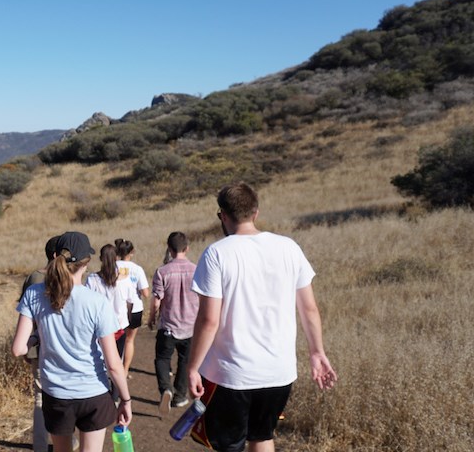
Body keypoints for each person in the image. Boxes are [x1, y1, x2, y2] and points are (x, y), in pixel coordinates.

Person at [186, 183, 338, 452]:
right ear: (255, 212)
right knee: (262, 436)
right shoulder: (289, 247)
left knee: (229, 445)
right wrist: (317, 352)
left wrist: (193, 367)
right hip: (279, 372)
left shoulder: (217, 253)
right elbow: (310, 309)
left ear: (222, 215)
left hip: (230, 375)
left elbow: (209, 320)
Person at [13, 231, 132, 452]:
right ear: (86, 264)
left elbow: (18, 349)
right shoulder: (97, 302)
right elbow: (114, 364)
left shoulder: (33, 294)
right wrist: (125, 400)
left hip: (56, 394)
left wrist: (37, 336)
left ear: (55, 256)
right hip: (93, 393)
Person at [147, 231, 198, 417]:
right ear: (187, 248)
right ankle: (179, 396)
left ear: (169, 248)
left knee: (162, 359)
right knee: (185, 361)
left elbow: (156, 299)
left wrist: (151, 317)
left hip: (168, 326)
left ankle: (165, 389)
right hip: (191, 326)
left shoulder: (162, 271)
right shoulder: (197, 269)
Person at [18, 235, 60, 452]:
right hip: (62, 346)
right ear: (57, 255)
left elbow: (24, 314)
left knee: (40, 399)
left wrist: (26, 343)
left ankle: (40, 447)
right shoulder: (69, 278)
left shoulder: (33, 278)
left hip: (37, 345)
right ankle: (68, 443)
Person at [85, 244, 132, 357]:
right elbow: (130, 303)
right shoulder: (125, 280)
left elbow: (87, 304)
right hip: (120, 326)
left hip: (99, 327)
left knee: (100, 360)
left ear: (101, 258)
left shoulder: (92, 279)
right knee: (117, 359)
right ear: (116, 258)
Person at [114, 238, 150, 377]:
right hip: (134, 308)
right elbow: (146, 293)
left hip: (116, 308)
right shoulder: (137, 269)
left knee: (115, 340)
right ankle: (125, 370)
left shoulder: (112, 266)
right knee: (129, 340)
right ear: (132, 252)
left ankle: (114, 368)